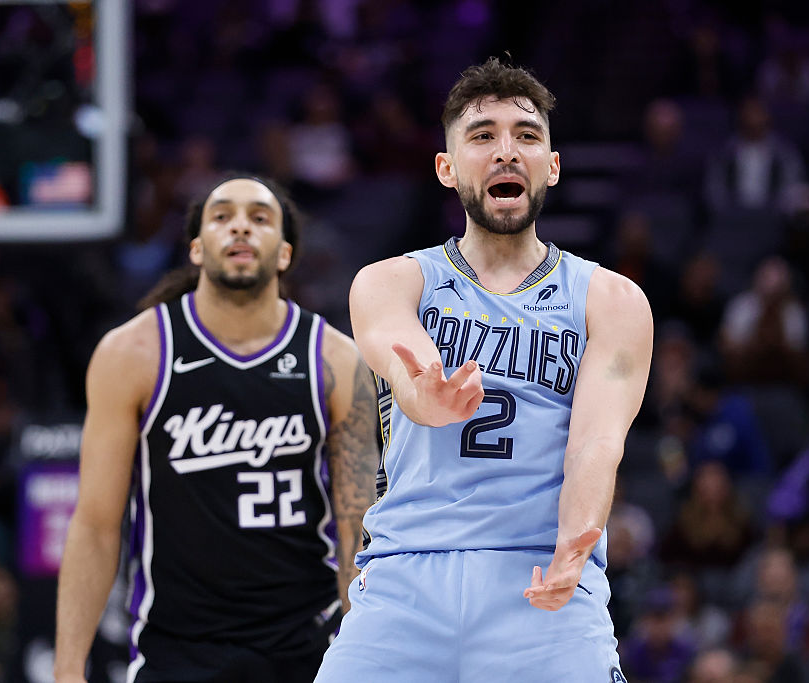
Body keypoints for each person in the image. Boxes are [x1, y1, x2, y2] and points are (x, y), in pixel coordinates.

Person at [315, 58, 653, 682]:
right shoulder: (392, 281)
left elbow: (596, 444)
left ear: (551, 165)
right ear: (446, 168)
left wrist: (576, 544)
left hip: (541, 575)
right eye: (482, 135)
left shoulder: (611, 300)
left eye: (527, 135)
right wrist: (426, 397)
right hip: (405, 580)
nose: (506, 151)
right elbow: (402, 368)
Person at [53, 176, 379, 683]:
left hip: (306, 646)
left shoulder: (336, 359)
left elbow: (355, 528)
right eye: (223, 216)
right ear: (198, 249)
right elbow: (95, 525)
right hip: (175, 649)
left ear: (286, 253)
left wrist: (363, 656)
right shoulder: (133, 354)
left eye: (260, 218)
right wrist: (68, 669)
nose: (241, 228)